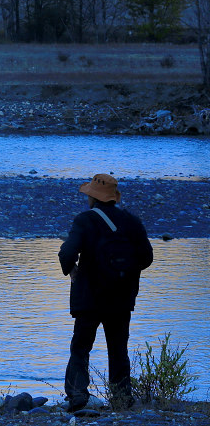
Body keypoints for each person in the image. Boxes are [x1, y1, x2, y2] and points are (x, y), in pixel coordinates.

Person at [59, 173, 153, 411]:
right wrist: (123, 272)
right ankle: (121, 399)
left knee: (81, 347)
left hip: (89, 297)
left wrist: (72, 272)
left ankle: (78, 396)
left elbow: (67, 253)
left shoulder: (84, 220)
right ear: (113, 197)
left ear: (93, 197)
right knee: (119, 349)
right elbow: (147, 258)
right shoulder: (132, 222)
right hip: (121, 298)